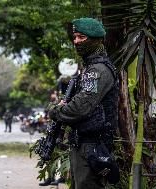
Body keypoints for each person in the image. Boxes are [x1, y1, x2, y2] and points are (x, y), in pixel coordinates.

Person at [48, 17, 119, 189]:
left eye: (82, 37)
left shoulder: (98, 70)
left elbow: (81, 107)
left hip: (92, 146)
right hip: (84, 144)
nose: (76, 41)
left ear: (95, 40)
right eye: (75, 37)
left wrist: (55, 112)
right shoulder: (89, 68)